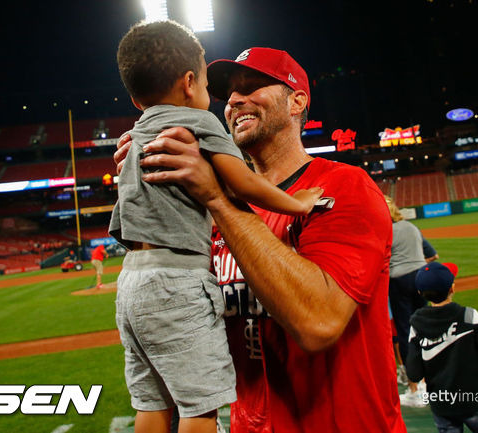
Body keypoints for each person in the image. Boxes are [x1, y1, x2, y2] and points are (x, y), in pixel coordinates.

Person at [115, 46, 406, 432]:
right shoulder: (207, 209)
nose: (235, 100)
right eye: (229, 94)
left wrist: (218, 198)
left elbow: (318, 322)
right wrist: (147, 181)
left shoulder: (343, 187)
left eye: (253, 86)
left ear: (297, 101)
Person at [109, 22, 323, 433]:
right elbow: (242, 181)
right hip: (177, 279)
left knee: (152, 403)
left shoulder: (136, 136)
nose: (230, 100)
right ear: (190, 82)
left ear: (136, 99)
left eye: (251, 87)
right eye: (218, 87)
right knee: (198, 406)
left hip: (132, 282)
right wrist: (296, 203)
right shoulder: (198, 122)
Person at [406, 262, 478, 433]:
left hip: (442, 405)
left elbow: (414, 373)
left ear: (420, 293)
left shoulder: (416, 325)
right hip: (476, 400)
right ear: (452, 288)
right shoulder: (469, 316)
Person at [383, 195, 429, 407]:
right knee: (425, 329)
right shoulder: (411, 227)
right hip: (421, 276)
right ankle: (430, 385)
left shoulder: (385, 231)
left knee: (405, 332)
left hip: (399, 280)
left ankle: (414, 389)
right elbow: (430, 254)